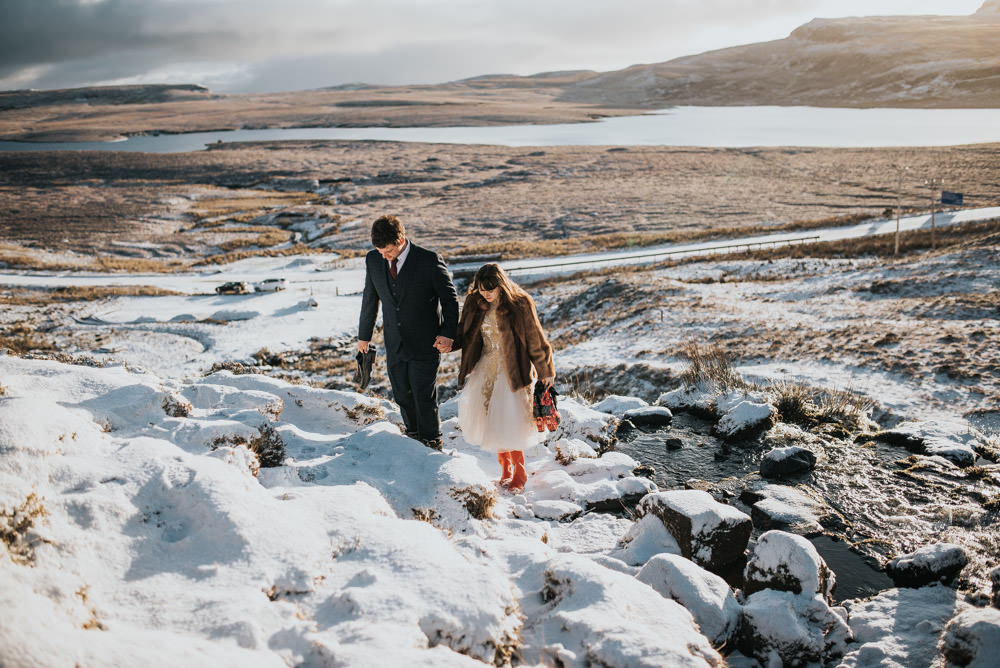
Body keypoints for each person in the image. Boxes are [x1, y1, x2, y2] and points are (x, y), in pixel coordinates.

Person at [451, 263, 555, 493]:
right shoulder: (474, 303)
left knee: (510, 419)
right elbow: (463, 333)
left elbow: (535, 338)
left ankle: (520, 471)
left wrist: (545, 370)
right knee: (491, 418)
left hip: (513, 369)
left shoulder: (520, 304)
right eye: (481, 288)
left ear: (501, 285)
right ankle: (505, 467)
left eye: (491, 288)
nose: (486, 293)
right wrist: (448, 343)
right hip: (485, 367)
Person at [358, 215, 459, 449]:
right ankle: (413, 439)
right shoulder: (373, 260)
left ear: (401, 239)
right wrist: (364, 335)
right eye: (380, 251)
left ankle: (432, 442)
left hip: (426, 343)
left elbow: (450, 300)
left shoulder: (429, 260)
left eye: (389, 251)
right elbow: (370, 298)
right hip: (394, 343)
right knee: (402, 394)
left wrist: (448, 333)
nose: (384, 256)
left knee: (423, 395)